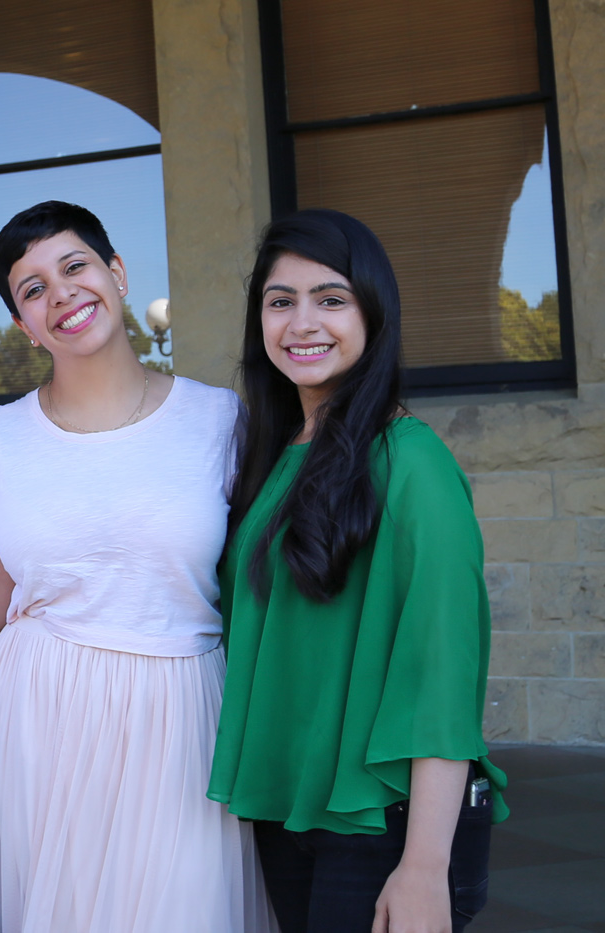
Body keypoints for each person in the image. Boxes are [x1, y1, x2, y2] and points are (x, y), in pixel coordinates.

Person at [0, 200, 276, 932]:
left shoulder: (222, 421)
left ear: (117, 274)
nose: (60, 294)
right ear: (24, 326)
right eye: (32, 290)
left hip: (182, 714)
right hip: (37, 720)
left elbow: (258, 589)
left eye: (75, 266)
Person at [208, 208, 507, 933]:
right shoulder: (277, 456)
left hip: (387, 824)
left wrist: (425, 865)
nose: (302, 322)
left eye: (331, 299)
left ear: (374, 312)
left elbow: (440, 675)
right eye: (281, 302)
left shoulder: (413, 463)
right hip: (291, 808)